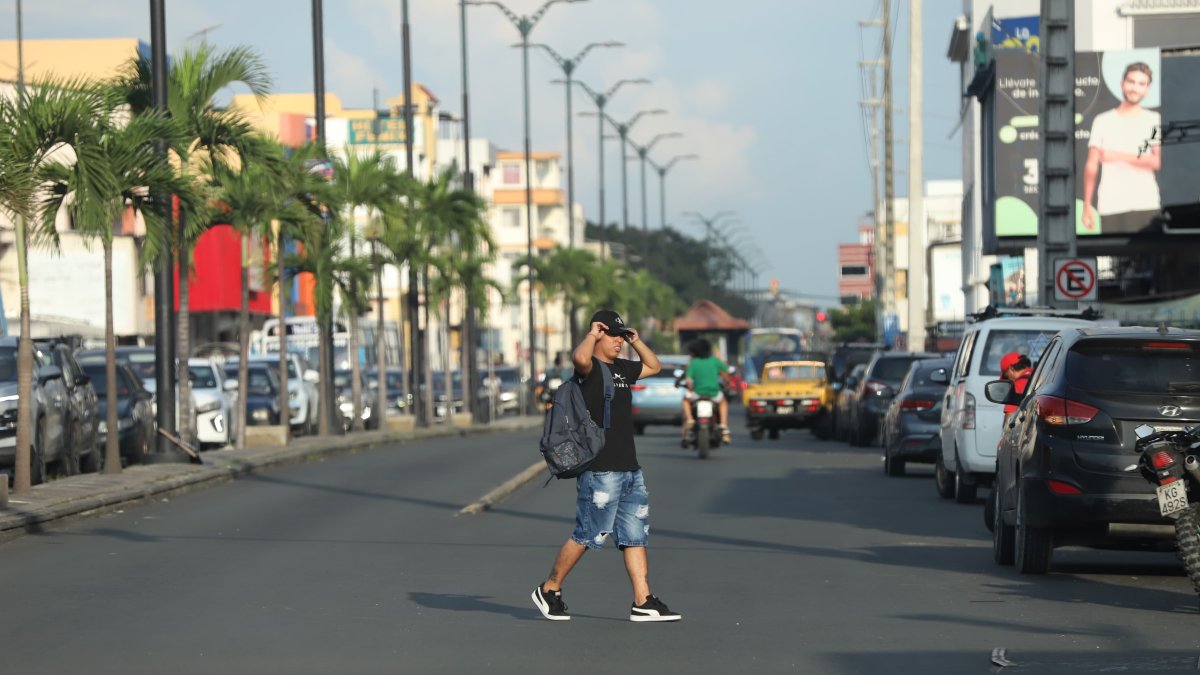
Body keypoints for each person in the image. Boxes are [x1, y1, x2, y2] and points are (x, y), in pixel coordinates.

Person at [531, 309, 682, 623]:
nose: (618, 342)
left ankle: (643, 601)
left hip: (630, 468)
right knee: (588, 534)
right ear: (599, 335)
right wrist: (592, 334)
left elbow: (654, 366)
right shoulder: (591, 371)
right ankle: (549, 588)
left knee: (634, 536)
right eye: (613, 336)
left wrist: (637, 341)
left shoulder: (624, 368)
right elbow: (579, 359)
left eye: (621, 336)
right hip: (601, 470)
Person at [1081, 61, 1161, 234]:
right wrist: (1087, 206)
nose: (1135, 88)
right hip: (1111, 204)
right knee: (1115, 260)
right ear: (1122, 83)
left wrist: (1115, 155)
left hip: (1145, 201)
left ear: (1147, 89)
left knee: (1147, 257)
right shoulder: (1102, 121)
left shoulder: (1153, 120)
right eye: (1131, 82)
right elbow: (1092, 164)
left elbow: (1155, 161)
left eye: (1141, 84)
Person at [679, 338, 732, 444]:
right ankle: (723, 426)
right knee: (723, 403)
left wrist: (690, 387)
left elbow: (688, 380)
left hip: (697, 394)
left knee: (685, 400)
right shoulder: (714, 361)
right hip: (714, 394)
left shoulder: (694, 362)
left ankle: (690, 419)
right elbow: (726, 371)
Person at [1000, 352, 1033, 416]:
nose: (1008, 379)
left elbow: (1009, 419)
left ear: (1011, 369)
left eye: (1006, 376)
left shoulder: (1017, 386)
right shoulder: (1040, 373)